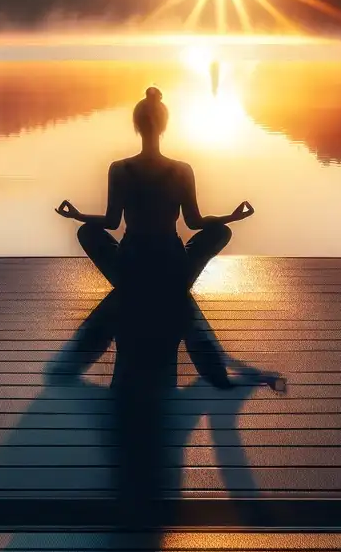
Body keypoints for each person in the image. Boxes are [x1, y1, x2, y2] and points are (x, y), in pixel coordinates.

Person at [56, 86, 284, 392]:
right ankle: (176, 286)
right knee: (220, 231)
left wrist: (78, 217)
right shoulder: (181, 170)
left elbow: (111, 222)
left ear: (137, 126)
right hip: (171, 265)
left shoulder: (120, 169)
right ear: (164, 126)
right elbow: (196, 222)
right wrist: (232, 218)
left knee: (87, 232)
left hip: (131, 267)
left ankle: (138, 288)